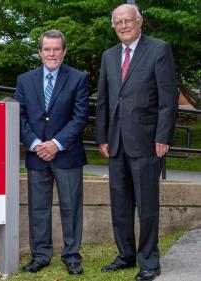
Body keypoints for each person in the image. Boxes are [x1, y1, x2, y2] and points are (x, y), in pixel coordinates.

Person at [95, 4, 178, 281]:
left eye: (128, 20)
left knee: (147, 206)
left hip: (146, 142)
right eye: (117, 22)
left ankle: (149, 262)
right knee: (120, 204)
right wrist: (102, 137)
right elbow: (105, 100)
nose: (123, 25)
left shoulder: (158, 49)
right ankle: (126, 255)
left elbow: (168, 98)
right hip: (116, 143)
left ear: (140, 21)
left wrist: (163, 136)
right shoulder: (108, 56)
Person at [15, 29, 89, 275]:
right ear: (39, 52)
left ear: (64, 51)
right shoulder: (25, 80)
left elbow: (80, 119)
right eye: (47, 49)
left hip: (67, 154)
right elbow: (20, 116)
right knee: (38, 207)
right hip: (36, 155)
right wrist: (36, 143)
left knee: (71, 207)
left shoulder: (78, 79)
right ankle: (41, 255)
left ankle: (72, 256)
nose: (52, 53)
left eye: (57, 49)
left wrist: (55, 144)